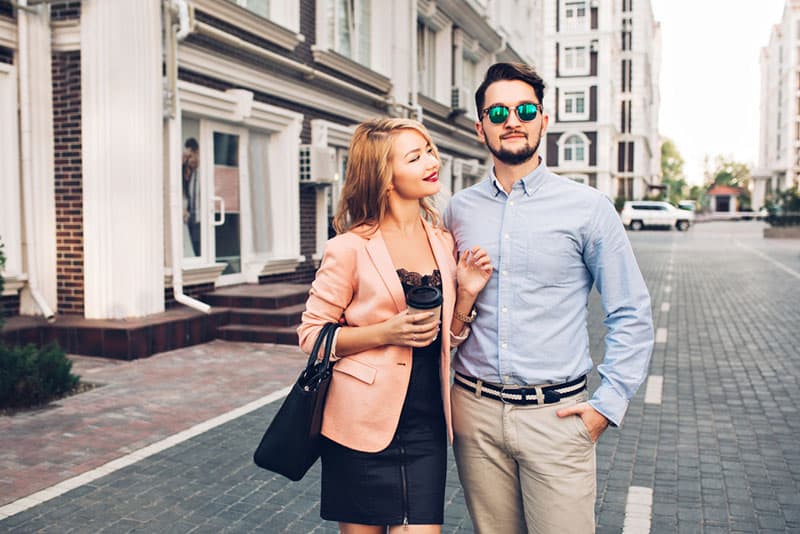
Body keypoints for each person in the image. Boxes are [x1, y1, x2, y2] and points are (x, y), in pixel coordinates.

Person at [442, 62, 654, 534]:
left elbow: (631, 312)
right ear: (481, 128)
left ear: (543, 119)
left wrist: (607, 404)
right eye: (497, 112)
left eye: (524, 109)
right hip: (474, 416)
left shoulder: (589, 208)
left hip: (557, 418)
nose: (511, 120)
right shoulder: (458, 210)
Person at [297, 118, 493, 534]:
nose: (431, 161)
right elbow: (312, 334)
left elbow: (449, 340)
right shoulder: (349, 247)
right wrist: (385, 333)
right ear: (385, 176)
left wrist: (468, 294)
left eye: (429, 150)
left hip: (427, 426)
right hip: (358, 426)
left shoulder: (443, 241)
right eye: (415, 156)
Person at [182, 137, 201, 256]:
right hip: (193, 223)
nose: (188, 161)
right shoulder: (191, 174)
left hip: (204, 222)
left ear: (197, 152)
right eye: (186, 158)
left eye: (190, 157)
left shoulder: (205, 173)